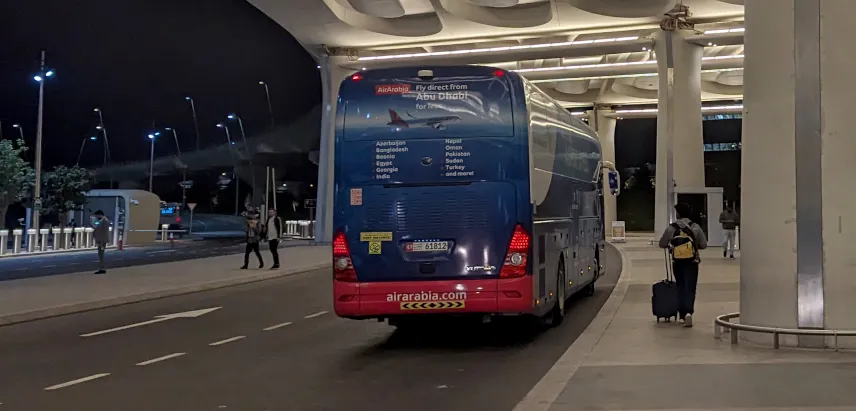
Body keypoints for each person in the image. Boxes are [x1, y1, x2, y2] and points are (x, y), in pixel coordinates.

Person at [658, 203, 708, 328]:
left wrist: (672, 246)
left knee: (680, 286)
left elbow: (662, 244)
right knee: (690, 287)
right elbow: (704, 245)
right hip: (692, 262)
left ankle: (681, 315)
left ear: (678, 214)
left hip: (678, 262)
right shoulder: (695, 227)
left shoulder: (672, 228)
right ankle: (689, 313)